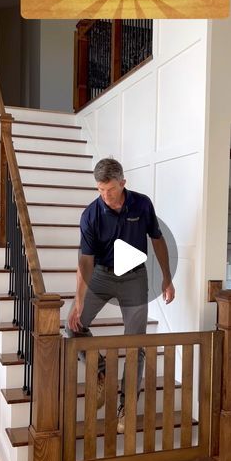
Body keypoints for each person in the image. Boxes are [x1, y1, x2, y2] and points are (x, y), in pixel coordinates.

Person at [66, 157, 175, 433]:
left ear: (123, 183)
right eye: (100, 190)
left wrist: (166, 278)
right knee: (74, 329)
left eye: (110, 189)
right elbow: (85, 262)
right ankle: (102, 373)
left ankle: (127, 407)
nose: (105, 195)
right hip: (100, 275)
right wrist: (78, 303)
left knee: (135, 343)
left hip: (134, 278)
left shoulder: (142, 204)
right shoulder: (90, 214)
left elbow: (157, 239)